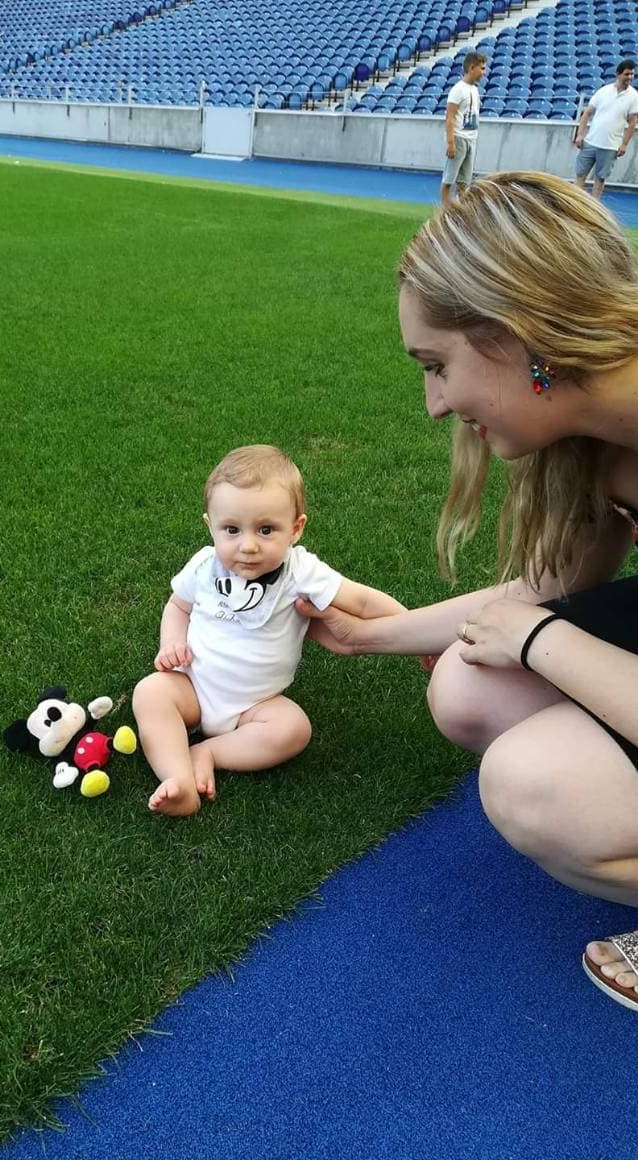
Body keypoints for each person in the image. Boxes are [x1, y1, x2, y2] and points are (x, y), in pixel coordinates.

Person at [296, 172, 638, 1011]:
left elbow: (536, 622)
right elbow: (553, 586)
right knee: (467, 682)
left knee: (534, 786)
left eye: (437, 365)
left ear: (519, 332)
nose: (433, 403)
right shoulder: (600, 433)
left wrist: (536, 638)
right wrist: (374, 633)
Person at [132, 445, 405, 817]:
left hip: (256, 705)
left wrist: (412, 629)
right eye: (231, 530)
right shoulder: (203, 566)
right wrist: (172, 642)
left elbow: (362, 602)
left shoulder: (301, 572)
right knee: (150, 692)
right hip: (192, 687)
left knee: (293, 729)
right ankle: (178, 780)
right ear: (210, 525)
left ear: (295, 528)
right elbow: (178, 606)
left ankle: (207, 752)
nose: (247, 546)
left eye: (266, 530)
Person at [574, 59, 638, 199]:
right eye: (627, 74)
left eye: (632, 74)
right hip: (590, 142)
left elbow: (633, 123)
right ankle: (574, 204)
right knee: (580, 175)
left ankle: (594, 206)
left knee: (600, 179)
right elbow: (586, 113)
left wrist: (624, 144)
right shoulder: (603, 91)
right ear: (618, 74)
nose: (630, 77)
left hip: (610, 146)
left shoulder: (634, 96)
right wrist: (580, 135)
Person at [441, 52, 487, 206]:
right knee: (449, 180)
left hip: (471, 139)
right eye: (482, 68)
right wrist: (450, 142)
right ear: (472, 67)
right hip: (459, 138)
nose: (484, 72)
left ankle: (461, 212)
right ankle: (445, 212)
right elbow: (450, 117)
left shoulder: (475, 89)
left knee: (464, 183)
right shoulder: (457, 89)